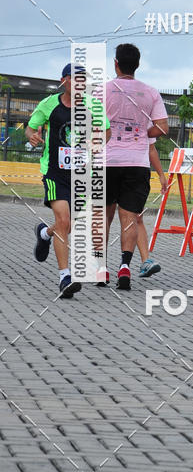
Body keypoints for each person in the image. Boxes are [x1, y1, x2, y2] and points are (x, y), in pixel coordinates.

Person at [27, 63, 110, 298]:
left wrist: (96, 144)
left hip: (82, 175)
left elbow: (106, 131)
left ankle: (45, 234)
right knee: (63, 219)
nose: (80, 84)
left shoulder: (93, 105)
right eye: (75, 79)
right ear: (64, 81)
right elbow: (31, 128)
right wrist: (33, 136)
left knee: (68, 225)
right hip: (54, 172)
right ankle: (65, 277)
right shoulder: (49, 104)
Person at [100, 43, 168, 290]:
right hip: (137, 162)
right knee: (129, 217)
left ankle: (101, 269)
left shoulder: (102, 90)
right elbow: (162, 127)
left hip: (107, 161)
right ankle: (125, 267)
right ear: (137, 65)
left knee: (104, 217)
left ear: (115, 63)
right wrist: (140, 133)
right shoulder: (150, 92)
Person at [137, 139, 168, 277]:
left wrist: (161, 175)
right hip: (108, 168)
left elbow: (151, 148)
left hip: (135, 172)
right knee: (106, 216)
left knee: (137, 217)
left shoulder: (143, 118)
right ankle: (101, 265)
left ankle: (145, 261)